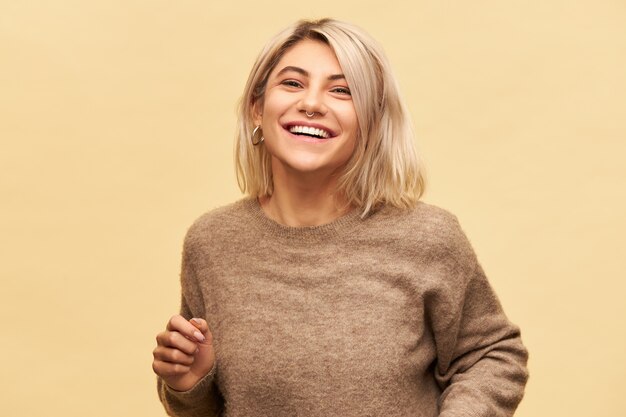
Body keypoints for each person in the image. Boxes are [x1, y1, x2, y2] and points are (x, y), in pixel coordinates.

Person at [152, 18, 529, 417]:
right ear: (257, 109)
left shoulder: (427, 237)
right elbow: (211, 409)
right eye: (293, 83)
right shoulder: (212, 243)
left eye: (342, 90)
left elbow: (493, 354)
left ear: (371, 123)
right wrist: (190, 384)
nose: (312, 104)